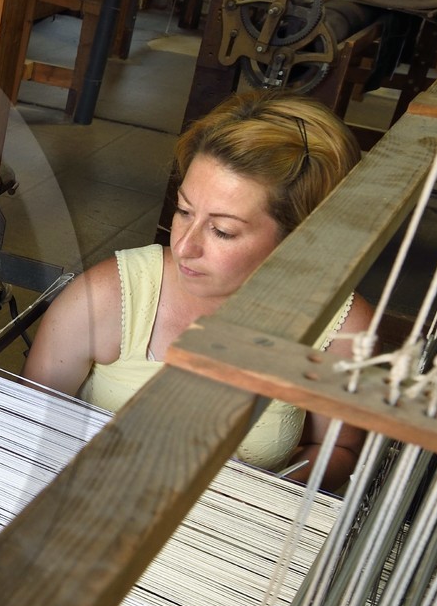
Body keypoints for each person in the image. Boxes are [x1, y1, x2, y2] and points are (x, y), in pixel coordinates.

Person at [21, 91, 372, 491]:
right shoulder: (108, 296)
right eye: (185, 211)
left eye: (223, 231)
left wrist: (243, 494)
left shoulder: (340, 327)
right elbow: (28, 423)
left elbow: (336, 449)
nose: (184, 245)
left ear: (299, 238)